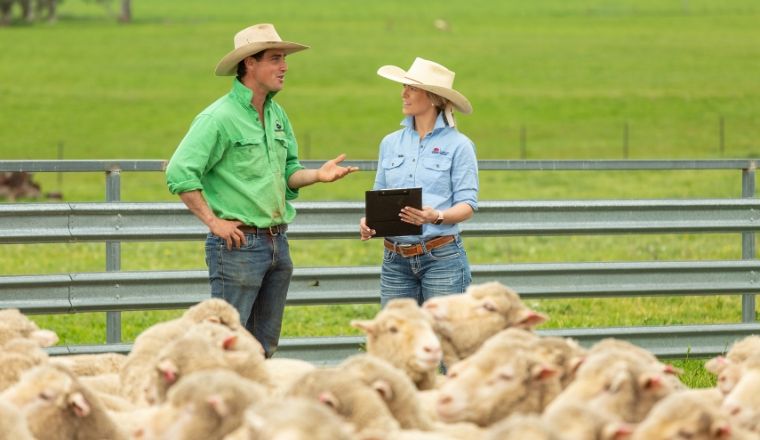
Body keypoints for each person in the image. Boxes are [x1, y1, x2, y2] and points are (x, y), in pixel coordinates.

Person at [166, 23, 358, 357]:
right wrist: (214, 222)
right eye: (275, 58)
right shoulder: (218, 117)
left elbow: (288, 173)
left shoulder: (276, 114)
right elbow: (180, 172)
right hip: (237, 245)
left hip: (276, 243)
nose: (284, 67)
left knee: (262, 348)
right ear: (249, 64)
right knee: (224, 345)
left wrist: (317, 175)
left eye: (284, 59)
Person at [359, 57, 479, 307]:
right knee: (398, 340)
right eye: (404, 87)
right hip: (395, 261)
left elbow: (467, 205)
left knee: (444, 340)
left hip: (442, 259)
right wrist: (369, 221)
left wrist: (435, 216)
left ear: (433, 97)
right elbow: (380, 193)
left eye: (411, 88)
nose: (403, 94)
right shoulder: (390, 143)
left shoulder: (460, 146)